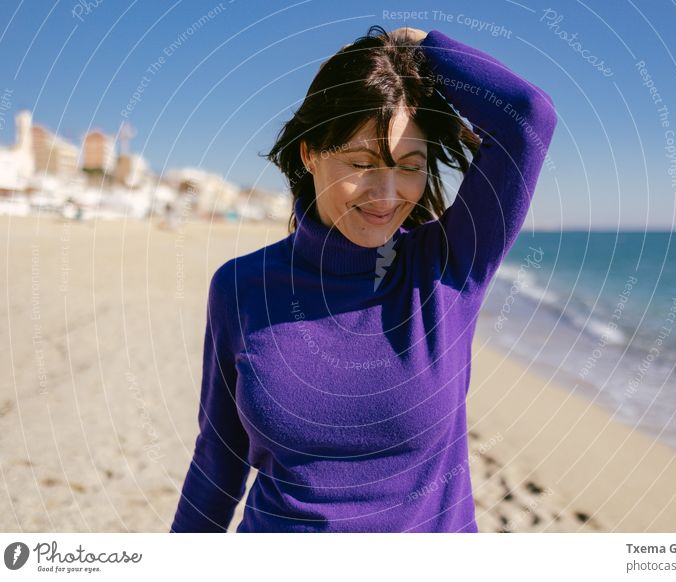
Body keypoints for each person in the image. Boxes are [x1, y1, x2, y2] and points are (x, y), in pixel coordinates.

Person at [170, 25, 557, 533]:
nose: (387, 193)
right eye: (361, 163)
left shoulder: (447, 267)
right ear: (310, 153)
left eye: (410, 166)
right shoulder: (241, 286)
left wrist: (417, 48)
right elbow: (218, 462)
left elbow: (528, 115)